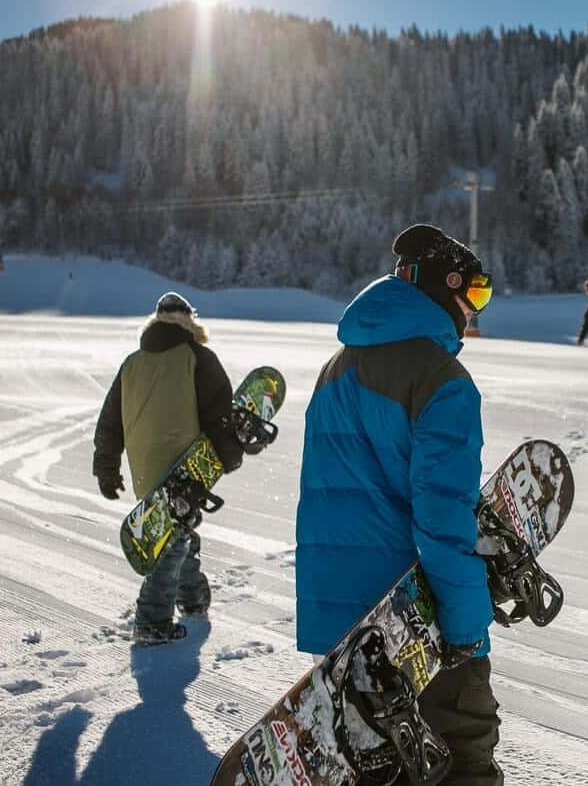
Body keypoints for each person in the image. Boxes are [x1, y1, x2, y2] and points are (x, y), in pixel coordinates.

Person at [297, 224, 501, 785]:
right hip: (414, 625)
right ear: (444, 288)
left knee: (377, 771)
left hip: (339, 626)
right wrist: (465, 628)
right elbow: (442, 518)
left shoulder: (334, 368)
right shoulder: (443, 380)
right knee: (463, 760)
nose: (475, 310)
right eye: (475, 293)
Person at [93, 291, 249, 646]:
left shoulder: (132, 363)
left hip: (145, 468)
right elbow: (219, 415)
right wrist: (230, 456)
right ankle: (151, 619)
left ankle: (193, 599)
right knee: (171, 541)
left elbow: (110, 422)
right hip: (185, 467)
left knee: (177, 531)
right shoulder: (198, 357)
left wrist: (106, 467)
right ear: (190, 321)